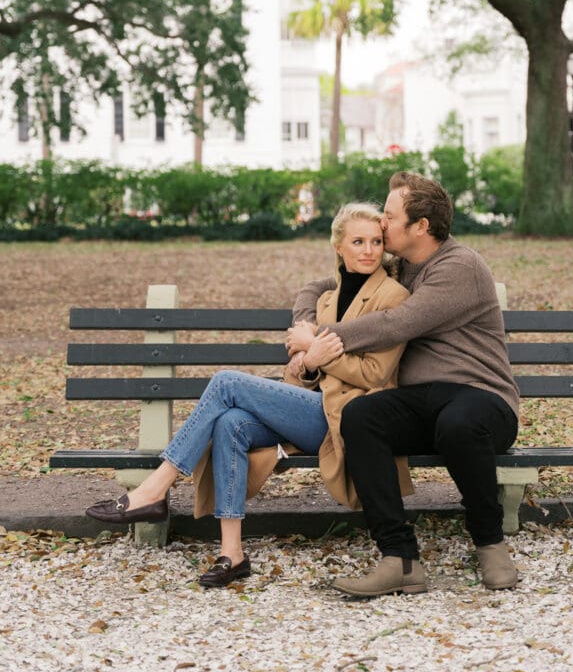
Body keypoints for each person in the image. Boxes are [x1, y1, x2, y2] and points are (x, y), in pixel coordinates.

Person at [86, 203, 410, 588]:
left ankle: (155, 488)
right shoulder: (327, 300)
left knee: (226, 382)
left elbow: (376, 373)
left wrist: (321, 353)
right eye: (358, 241)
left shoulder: (394, 296)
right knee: (231, 422)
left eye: (376, 242)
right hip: (314, 407)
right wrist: (309, 362)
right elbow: (302, 372)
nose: (369, 250)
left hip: (350, 416)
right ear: (338, 246)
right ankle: (232, 553)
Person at [287, 172, 520, 597]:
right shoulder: (402, 266)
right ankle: (400, 558)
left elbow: (400, 323)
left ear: (421, 226)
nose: (381, 226)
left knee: (459, 423)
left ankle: (490, 542)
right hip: (422, 402)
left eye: (390, 217)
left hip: (482, 400)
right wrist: (305, 322)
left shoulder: (459, 266)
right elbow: (321, 284)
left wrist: (318, 341)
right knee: (362, 416)